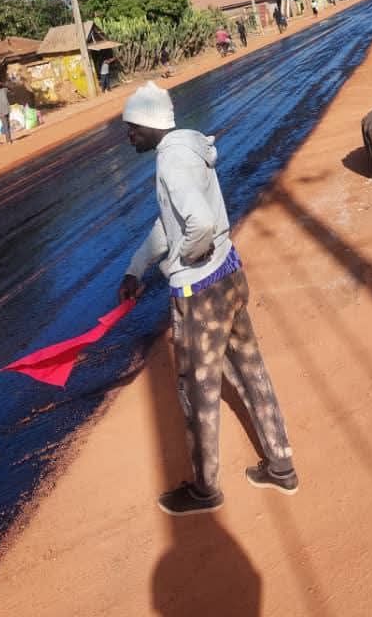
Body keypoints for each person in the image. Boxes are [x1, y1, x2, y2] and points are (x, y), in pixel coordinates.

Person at [118, 82, 297, 515]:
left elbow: (194, 225)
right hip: (229, 276)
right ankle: (281, 466)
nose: (129, 137)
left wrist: (183, 262)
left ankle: (205, 489)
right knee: (250, 368)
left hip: (200, 293)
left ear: (147, 123)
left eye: (131, 129)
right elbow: (173, 222)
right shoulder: (188, 149)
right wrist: (136, 267)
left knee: (197, 389)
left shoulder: (171, 162)